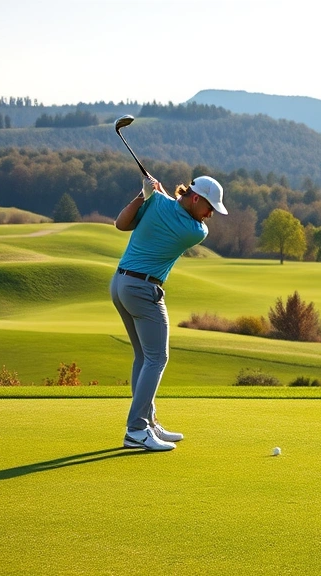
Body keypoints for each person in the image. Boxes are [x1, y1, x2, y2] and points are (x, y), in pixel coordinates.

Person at [111, 174, 227, 451]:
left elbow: (120, 224)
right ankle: (136, 429)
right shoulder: (196, 230)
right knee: (158, 357)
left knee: (144, 356)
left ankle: (148, 422)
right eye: (210, 207)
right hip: (142, 289)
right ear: (196, 198)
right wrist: (151, 196)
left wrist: (145, 196)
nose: (211, 214)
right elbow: (126, 223)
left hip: (119, 284)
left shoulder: (157, 204)